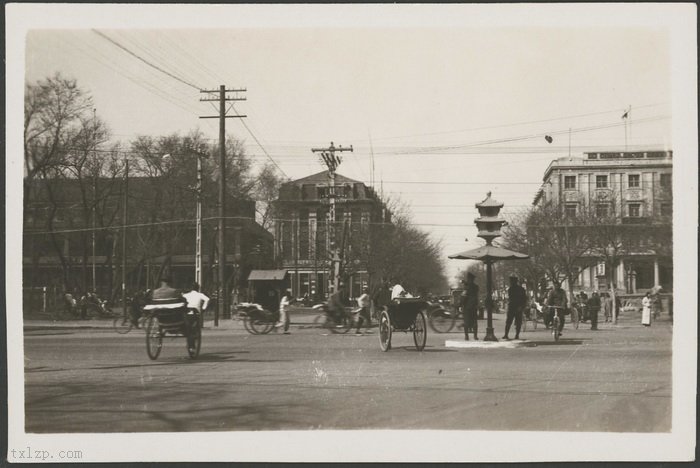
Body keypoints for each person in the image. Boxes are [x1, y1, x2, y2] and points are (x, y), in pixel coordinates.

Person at [460, 273, 479, 340]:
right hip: (474, 306)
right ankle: (475, 336)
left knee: (466, 322)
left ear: (469, 279)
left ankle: (466, 336)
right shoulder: (476, 287)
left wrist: (461, 303)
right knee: (474, 322)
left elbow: (463, 297)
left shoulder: (466, 287)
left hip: (467, 307)